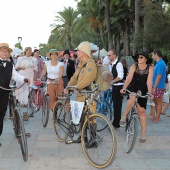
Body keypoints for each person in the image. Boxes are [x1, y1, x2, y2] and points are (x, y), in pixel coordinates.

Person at [64, 41, 97, 143]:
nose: (77, 52)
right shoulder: (81, 64)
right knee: (82, 116)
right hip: (80, 94)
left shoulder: (91, 64)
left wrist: (75, 87)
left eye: (78, 50)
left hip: (89, 94)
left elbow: (87, 79)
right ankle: (83, 137)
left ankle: (93, 140)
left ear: (83, 51)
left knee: (90, 117)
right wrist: (68, 86)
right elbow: (75, 77)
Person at [0, 43, 30, 146]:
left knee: (1, 115)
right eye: (3, 50)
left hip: (4, 92)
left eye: (6, 51)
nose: (5, 52)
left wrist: (24, 79)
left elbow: (16, 76)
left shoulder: (10, 65)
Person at [120, 51, 153, 143]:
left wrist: (150, 93)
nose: (139, 59)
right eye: (138, 57)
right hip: (134, 87)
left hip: (143, 89)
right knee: (132, 97)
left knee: (141, 112)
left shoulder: (150, 68)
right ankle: (123, 117)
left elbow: (149, 82)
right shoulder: (134, 66)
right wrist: (124, 88)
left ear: (146, 59)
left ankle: (143, 134)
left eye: (141, 57)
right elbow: (129, 78)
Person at [108, 49, 124, 130]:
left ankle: (116, 124)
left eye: (109, 55)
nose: (108, 56)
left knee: (117, 106)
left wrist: (113, 81)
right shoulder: (113, 64)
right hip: (115, 86)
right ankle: (115, 122)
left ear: (114, 55)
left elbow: (120, 76)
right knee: (115, 105)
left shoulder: (119, 64)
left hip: (118, 87)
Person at [152, 50, 166, 122]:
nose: (152, 56)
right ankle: (157, 116)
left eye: (153, 55)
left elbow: (159, 76)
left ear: (156, 54)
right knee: (156, 101)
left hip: (158, 86)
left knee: (158, 101)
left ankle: (157, 117)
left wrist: (154, 87)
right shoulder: (158, 63)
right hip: (156, 86)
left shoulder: (160, 64)